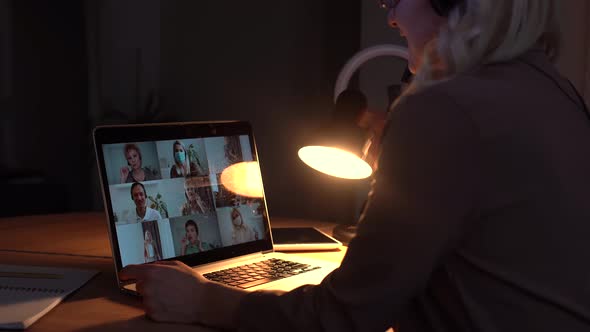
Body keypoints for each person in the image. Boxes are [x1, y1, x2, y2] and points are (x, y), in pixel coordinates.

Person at [119, 0, 590, 330]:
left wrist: (204, 300)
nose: (389, 16)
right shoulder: (553, 90)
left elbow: (342, 318)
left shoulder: (446, 109)